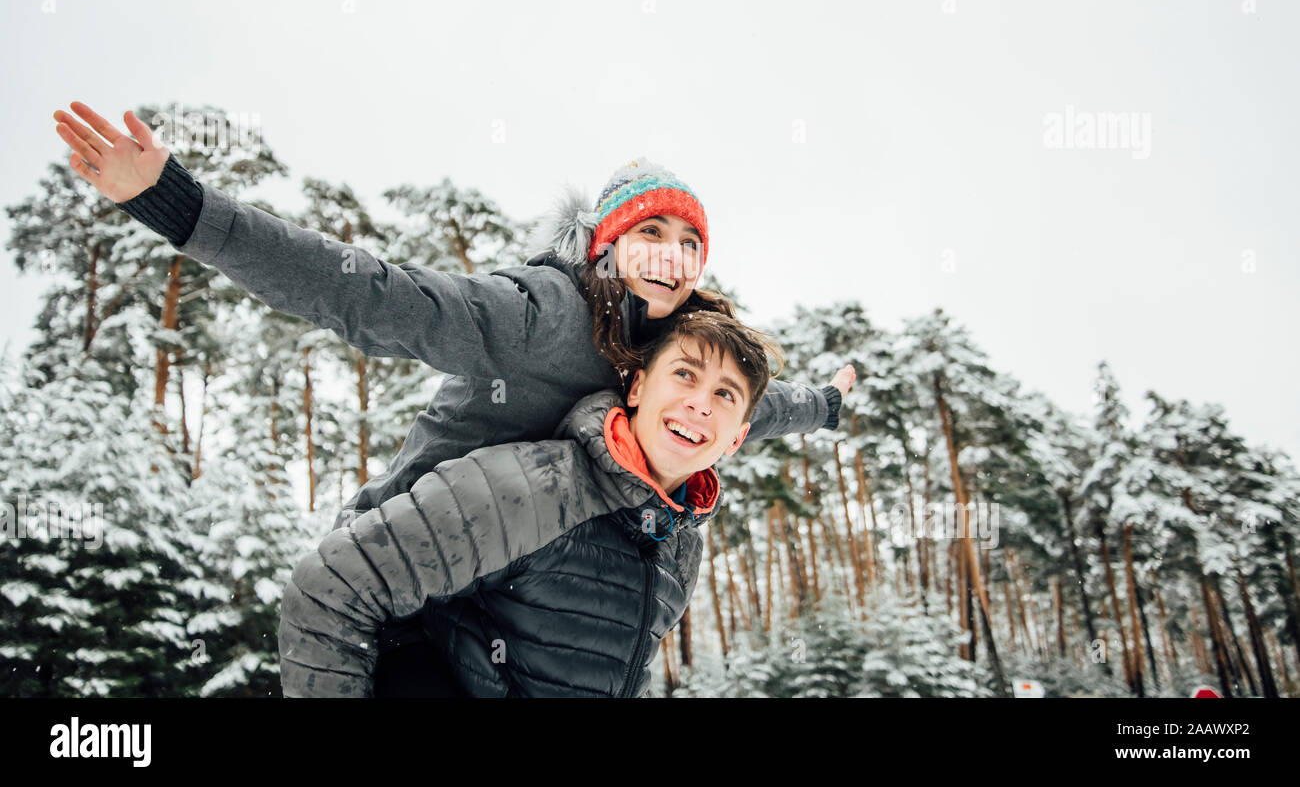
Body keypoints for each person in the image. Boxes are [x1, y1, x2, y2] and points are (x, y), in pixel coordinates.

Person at [54, 100, 855, 692]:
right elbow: (371, 294)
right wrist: (178, 205)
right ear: (605, 244)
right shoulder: (538, 312)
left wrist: (831, 403)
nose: (674, 258)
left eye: (691, 245)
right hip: (411, 589)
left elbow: (761, 405)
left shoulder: (673, 360)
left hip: (512, 597)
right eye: (652, 233)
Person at [279, 308, 778, 696]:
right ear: (638, 386)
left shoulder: (681, 543)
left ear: (737, 439)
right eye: (685, 375)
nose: (700, 403)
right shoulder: (532, 485)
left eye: (726, 395)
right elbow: (329, 585)